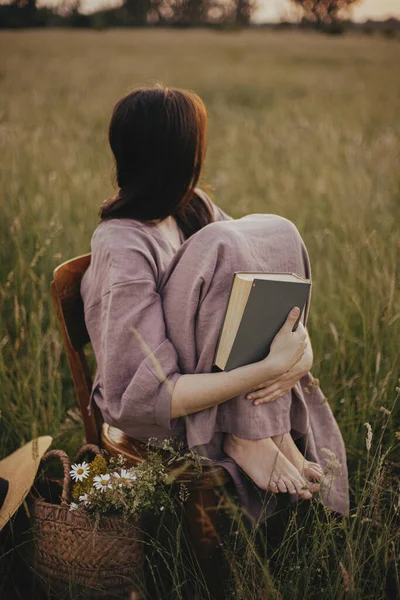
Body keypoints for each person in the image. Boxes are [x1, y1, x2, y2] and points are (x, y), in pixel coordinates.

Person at [81, 84, 349, 522]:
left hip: (212, 384)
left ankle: (264, 432)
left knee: (272, 232)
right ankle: (246, 435)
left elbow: (254, 284)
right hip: (161, 408)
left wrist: (300, 355)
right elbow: (147, 397)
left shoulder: (191, 208)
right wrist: (266, 370)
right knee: (227, 241)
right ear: (181, 157)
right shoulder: (122, 244)